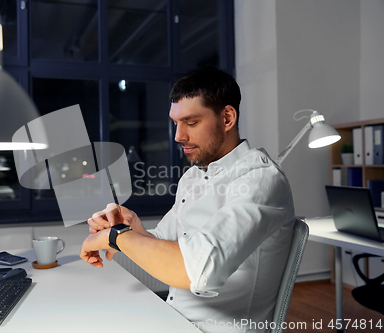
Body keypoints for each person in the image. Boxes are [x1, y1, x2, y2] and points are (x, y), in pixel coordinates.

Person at [80, 65, 295, 333]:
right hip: (174, 318)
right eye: (175, 123)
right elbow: (164, 243)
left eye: (191, 123)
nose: (178, 136)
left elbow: (196, 271)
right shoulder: (193, 177)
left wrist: (117, 237)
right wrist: (129, 226)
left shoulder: (260, 180)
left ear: (227, 118)